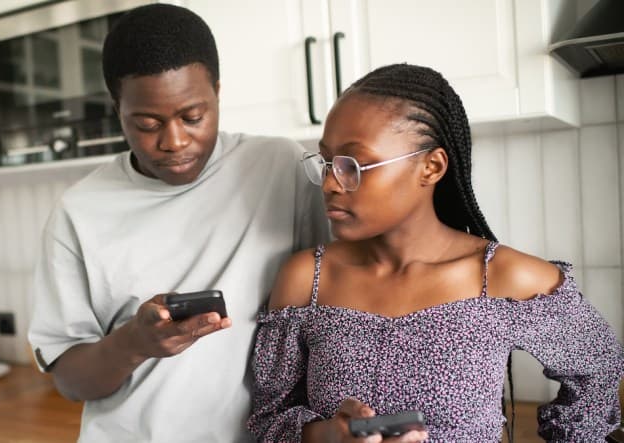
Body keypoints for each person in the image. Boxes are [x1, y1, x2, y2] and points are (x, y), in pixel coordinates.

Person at [247, 63, 624, 442]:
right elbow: (268, 421)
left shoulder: (505, 277)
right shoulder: (306, 279)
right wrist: (330, 434)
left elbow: (600, 370)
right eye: (327, 162)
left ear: (431, 166)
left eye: (354, 165)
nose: (330, 183)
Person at [26, 4, 330, 442]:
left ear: (218, 93)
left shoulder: (280, 168)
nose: (174, 141)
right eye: (147, 123)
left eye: (193, 116)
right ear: (118, 110)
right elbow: (70, 382)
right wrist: (135, 342)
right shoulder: (79, 212)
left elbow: (338, 293)